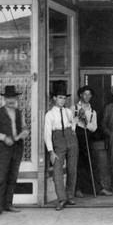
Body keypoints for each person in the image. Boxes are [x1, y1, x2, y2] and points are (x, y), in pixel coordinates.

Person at [0, 85, 30, 217]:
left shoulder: (19, 113)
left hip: (17, 147)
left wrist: (23, 134)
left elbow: (25, 129)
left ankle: (8, 204)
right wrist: (4, 137)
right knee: (2, 176)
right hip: (3, 148)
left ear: (16, 98)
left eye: (13, 97)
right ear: (4, 99)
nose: (11, 100)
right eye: (8, 97)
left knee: (13, 176)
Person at [71, 85, 113, 197]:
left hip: (87, 138)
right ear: (80, 95)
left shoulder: (93, 111)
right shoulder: (73, 108)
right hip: (75, 138)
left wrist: (86, 122)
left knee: (92, 163)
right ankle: (77, 189)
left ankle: (98, 188)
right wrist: (78, 119)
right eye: (85, 94)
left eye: (89, 94)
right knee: (77, 164)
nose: (87, 96)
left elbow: (94, 128)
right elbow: (69, 125)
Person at [44, 83, 79, 211]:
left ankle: (70, 196)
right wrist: (51, 151)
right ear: (54, 98)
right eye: (60, 98)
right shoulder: (49, 114)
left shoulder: (68, 111)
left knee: (72, 169)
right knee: (57, 171)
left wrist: (73, 131)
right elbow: (47, 134)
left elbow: (72, 122)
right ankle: (62, 198)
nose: (62, 100)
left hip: (71, 141)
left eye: (64, 98)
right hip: (58, 142)